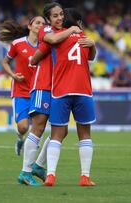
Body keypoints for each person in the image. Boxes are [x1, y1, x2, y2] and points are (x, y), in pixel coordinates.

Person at [32, 8, 97, 187]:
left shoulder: (55, 38)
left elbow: (39, 53)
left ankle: (50, 175)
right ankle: (85, 177)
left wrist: (34, 60)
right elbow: (91, 57)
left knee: (57, 135)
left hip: (61, 91)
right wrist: (92, 44)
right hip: (83, 90)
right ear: (79, 23)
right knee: (84, 134)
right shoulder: (84, 37)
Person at [24, 2, 83, 185]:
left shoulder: (64, 34)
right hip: (43, 85)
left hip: (58, 88)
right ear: (48, 19)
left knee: (62, 130)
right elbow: (40, 52)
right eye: (55, 16)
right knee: (39, 127)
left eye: (61, 15)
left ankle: (39, 166)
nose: (59, 18)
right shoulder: (46, 31)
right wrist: (73, 29)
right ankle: (25, 172)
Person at [0, 16, 47, 186]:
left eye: (43, 23)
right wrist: (12, 75)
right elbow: (5, 62)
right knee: (23, 127)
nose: (41, 25)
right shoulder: (18, 43)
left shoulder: (46, 45)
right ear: (30, 26)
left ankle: (32, 166)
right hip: (20, 90)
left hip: (38, 91)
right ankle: (20, 138)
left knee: (38, 128)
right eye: (38, 23)